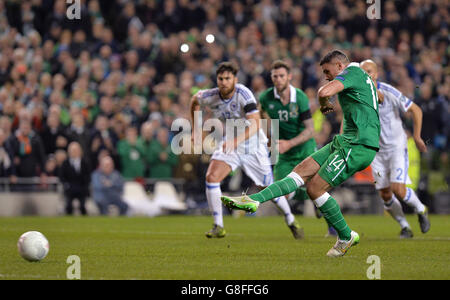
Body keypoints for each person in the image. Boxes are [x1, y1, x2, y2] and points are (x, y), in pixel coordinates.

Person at [222, 50, 381, 257]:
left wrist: (325, 104)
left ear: (340, 66)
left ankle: (345, 235)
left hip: (359, 145)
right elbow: (376, 96)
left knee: (315, 187)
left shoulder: (352, 72)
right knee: (299, 172)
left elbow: (324, 92)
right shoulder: (359, 77)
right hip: (346, 140)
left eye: (327, 71)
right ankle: (254, 200)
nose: (326, 76)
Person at [190, 61, 301, 239]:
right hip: (231, 144)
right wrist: (196, 128)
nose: (224, 82)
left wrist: (237, 140)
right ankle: (218, 225)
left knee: (268, 189)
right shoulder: (211, 95)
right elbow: (194, 100)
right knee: (211, 177)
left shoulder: (244, 94)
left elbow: (256, 123)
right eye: (220, 79)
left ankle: (290, 219)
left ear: (235, 79)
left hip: (253, 145)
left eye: (228, 78)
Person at [259, 60, 337, 237]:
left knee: (317, 189)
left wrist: (289, 143)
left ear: (289, 77)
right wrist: (268, 138)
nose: (278, 79)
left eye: (281, 76)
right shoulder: (265, 98)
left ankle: (331, 228)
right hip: (285, 154)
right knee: (278, 193)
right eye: (275, 76)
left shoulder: (300, 97)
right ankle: (293, 223)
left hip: (305, 150)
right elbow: (262, 116)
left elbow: (310, 130)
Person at [360, 59, 430, 238]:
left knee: (397, 188)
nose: (365, 75)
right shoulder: (358, 96)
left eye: (369, 71)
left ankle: (421, 209)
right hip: (376, 152)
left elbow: (416, 110)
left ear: (375, 74)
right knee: (384, 194)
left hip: (396, 147)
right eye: (362, 72)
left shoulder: (388, 91)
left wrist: (416, 136)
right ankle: (405, 226)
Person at [59, 142, 91, 215]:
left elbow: (88, 176)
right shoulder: (65, 163)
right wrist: (66, 185)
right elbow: (62, 177)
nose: (74, 152)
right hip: (69, 188)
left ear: (80, 151)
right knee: (68, 206)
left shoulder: (85, 162)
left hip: (82, 188)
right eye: (72, 150)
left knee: (83, 206)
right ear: (69, 152)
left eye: (76, 150)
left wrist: (85, 185)